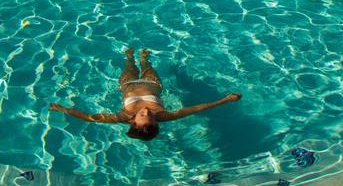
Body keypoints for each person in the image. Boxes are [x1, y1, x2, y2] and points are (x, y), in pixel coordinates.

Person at [49, 48, 241, 141]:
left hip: (127, 83)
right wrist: (225, 99)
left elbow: (89, 118)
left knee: (128, 66)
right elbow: (197, 108)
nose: (148, 113)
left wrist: (64, 109)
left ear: (133, 122)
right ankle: (143, 58)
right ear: (157, 123)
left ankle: (130, 57)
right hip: (152, 83)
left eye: (143, 117)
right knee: (147, 66)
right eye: (151, 118)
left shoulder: (121, 116)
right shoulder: (164, 115)